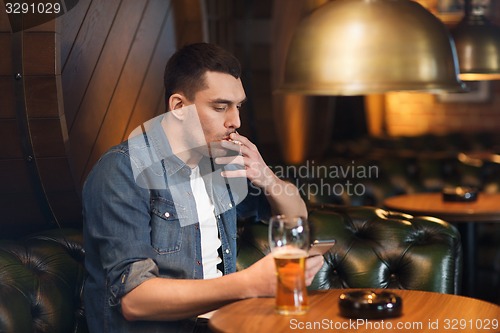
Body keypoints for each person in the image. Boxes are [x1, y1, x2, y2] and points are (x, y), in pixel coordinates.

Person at [82, 42, 324, 333]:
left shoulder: (219, 163)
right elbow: (134, 300)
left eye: (238, 107)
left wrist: (266, 177)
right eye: (220, 107)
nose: (235, 121)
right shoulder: (122, 170)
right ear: (179, 107)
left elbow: (297, 216)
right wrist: (248, 284)